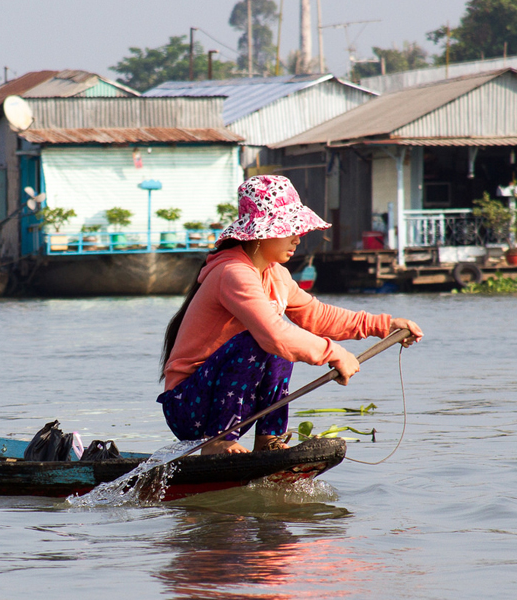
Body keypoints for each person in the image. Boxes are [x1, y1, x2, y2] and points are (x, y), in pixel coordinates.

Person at [158, 175, 423, 454]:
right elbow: (273, 335)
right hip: (188, 407)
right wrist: (334, 354)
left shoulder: (277, 275)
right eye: (290, 229)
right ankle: (217, 444)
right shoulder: (233, 273)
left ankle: (268, 439)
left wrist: (385, 325)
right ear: (261, 232)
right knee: (266, 340)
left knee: (279, 342)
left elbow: (318, 315)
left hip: (231, 404)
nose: (298, 238)